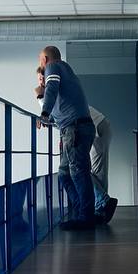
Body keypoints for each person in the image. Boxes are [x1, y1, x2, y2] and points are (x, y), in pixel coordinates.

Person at [37, 67, 118, 225]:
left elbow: (51, 112)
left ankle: (102, 205)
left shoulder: (56, 92)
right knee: (87, 171)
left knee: (92, 171)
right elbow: (56, 117)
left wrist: (39, 96)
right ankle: (101, 206)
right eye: (39, 79)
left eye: (42, 78)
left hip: (98, 128)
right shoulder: (58, 93)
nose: (40, 82)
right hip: (91, 127)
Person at [37, 46, 97, 231]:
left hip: (75, 129)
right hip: (74, 129)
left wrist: (44, 113)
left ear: (45, 59)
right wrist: (48, 116)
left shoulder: (53, 67)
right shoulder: (66, 70)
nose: (40, 63)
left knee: (78, 172)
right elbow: (60, 108)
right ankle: (82, 213)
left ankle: (86, 217)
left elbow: (52, 89)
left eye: (40, 59)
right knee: (64, 174)